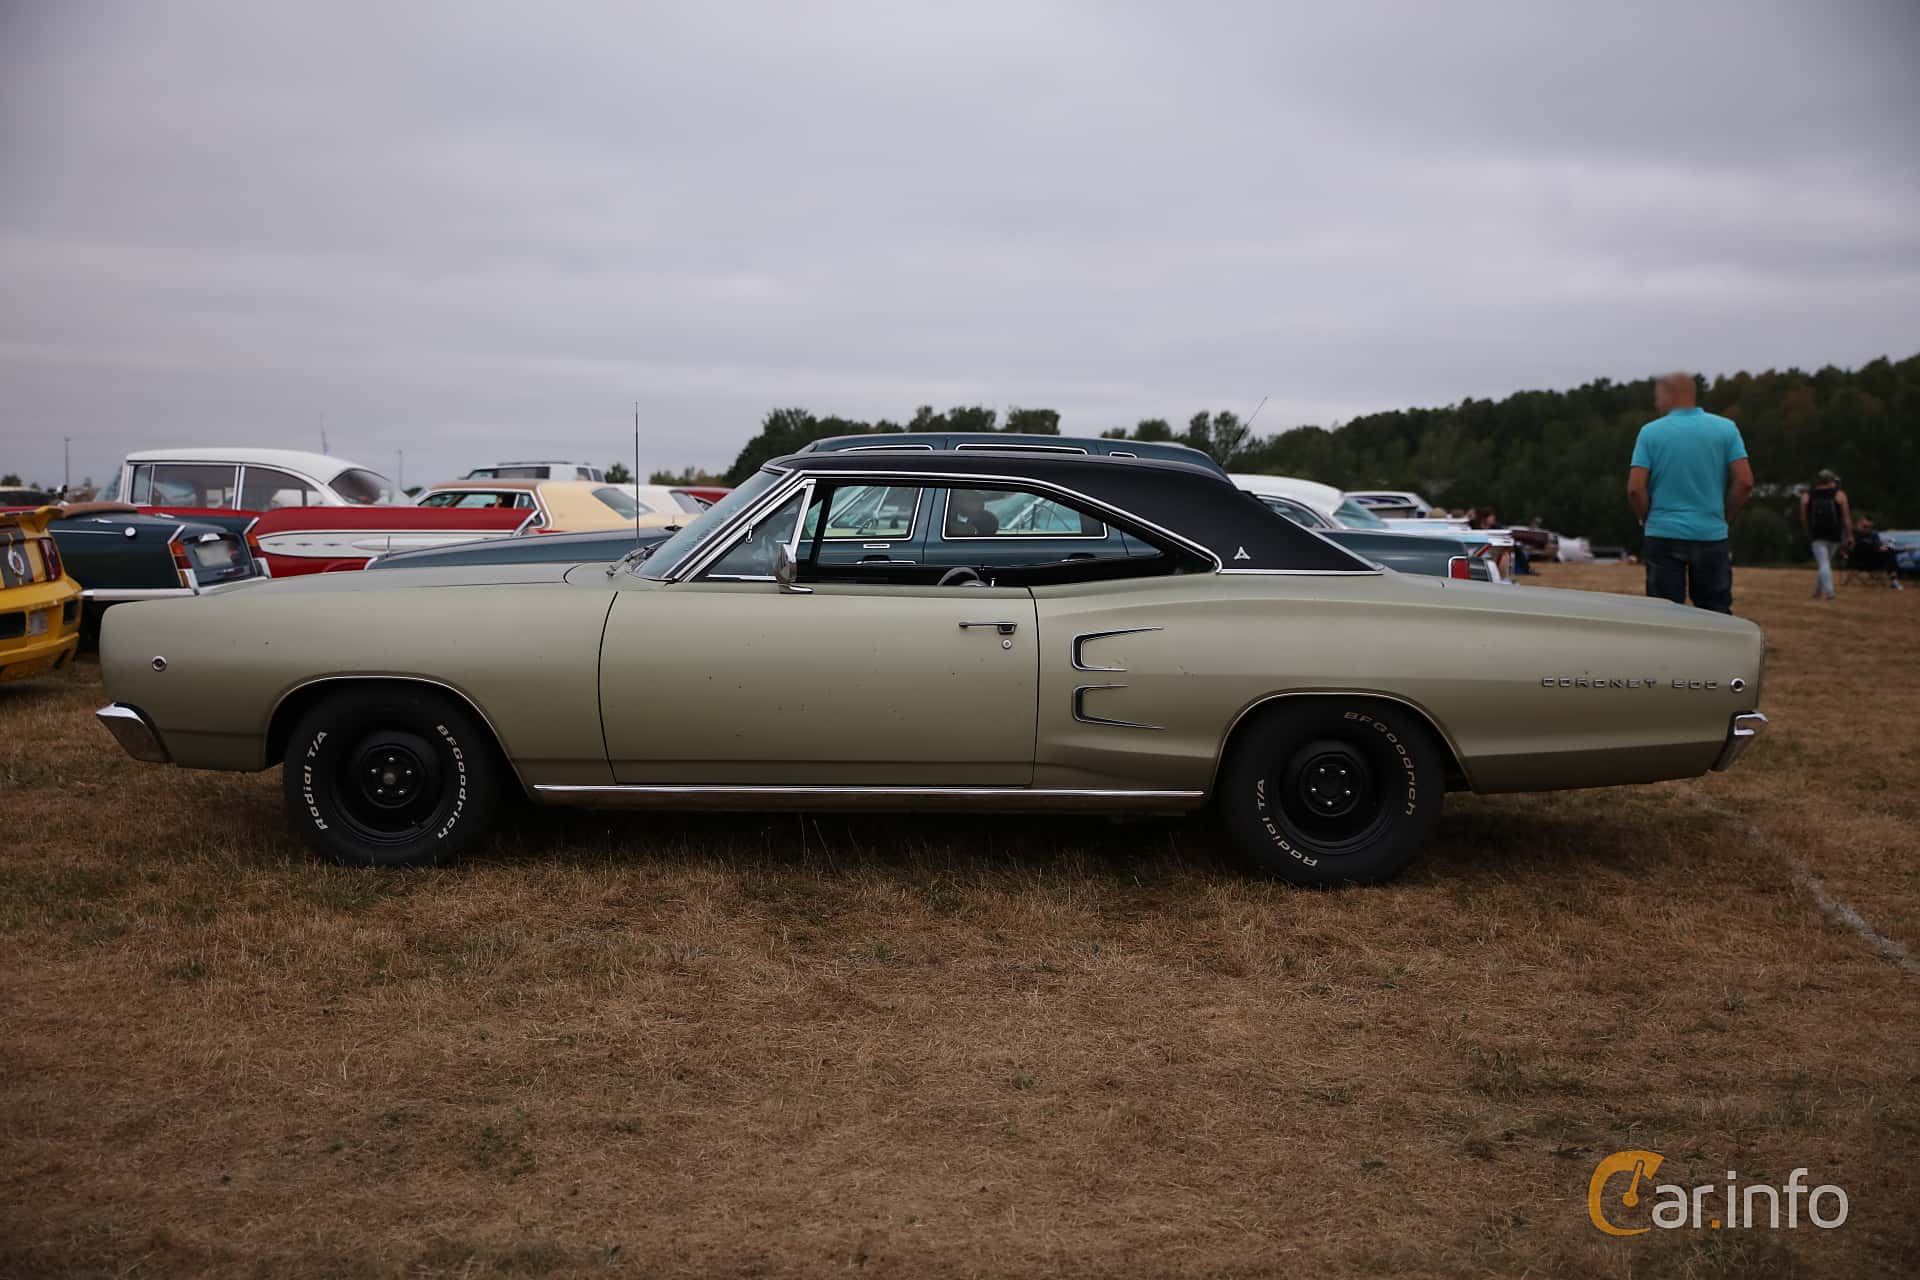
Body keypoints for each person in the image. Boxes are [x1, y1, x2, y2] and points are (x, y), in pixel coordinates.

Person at [1626, 372, 1754, 613]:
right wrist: (1724, 517)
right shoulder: (1726, 429)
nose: (1656, 403)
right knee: (1715, 613)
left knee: (1664, 615)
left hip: (1663, 532)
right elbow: (1745, 482)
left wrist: (1645, 517)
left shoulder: (1650, 432)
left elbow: (1635, 488)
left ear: (1669, 395)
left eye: (1657, 397)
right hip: (1710, 533)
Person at [1800, 469, 1850, 600]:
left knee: (1824, 563)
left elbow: (1804, 517)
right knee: (1825, 563)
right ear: (1831, 480)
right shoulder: (1839, 495)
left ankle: (1824, 592)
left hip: (1817, 533)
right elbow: (1846, 518)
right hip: (1834, 533)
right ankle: (1826, 592)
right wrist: (1849, 534)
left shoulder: (1808, 495)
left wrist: (1807, 530)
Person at [1850, 515, 1904, 591]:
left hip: (1874, 562)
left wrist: (1883, 548)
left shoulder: (1873, 534)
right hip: (1858, 562)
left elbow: (1879, 546)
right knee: (1886, 551)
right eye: (1865, 526)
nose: (1867, 529)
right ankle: (1895, 579)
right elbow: (1848, 548)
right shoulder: (1852, 534)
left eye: (1869, 527)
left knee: (1890, 553)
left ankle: (1894, 580)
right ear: (1858, 524)